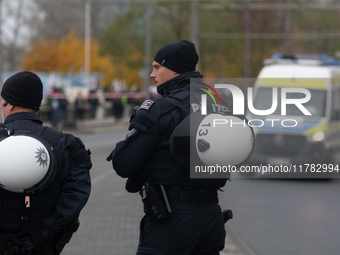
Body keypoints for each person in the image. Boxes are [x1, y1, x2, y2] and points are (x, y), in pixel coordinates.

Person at [107, 40, 228, 255]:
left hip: (172, 219)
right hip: (211, 217)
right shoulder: (220, 106)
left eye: (156, 67)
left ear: (174, 70)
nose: (152, 74)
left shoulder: (160, 109)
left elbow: (123, 163)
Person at [0, 71, 92, 255]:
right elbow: (76, 195)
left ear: (9, 105)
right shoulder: (66, 144)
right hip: (43, 244)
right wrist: (45, 232)